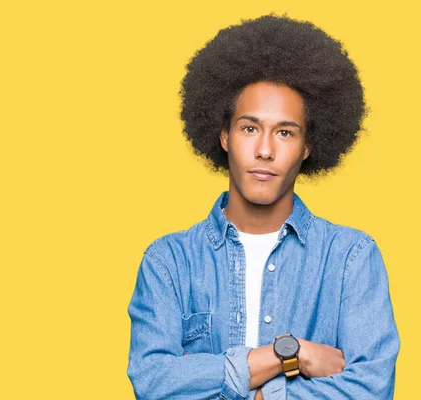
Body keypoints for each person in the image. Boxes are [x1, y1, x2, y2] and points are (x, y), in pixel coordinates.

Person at [127, 14, 399, 400]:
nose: (265, 150)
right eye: (249, 128)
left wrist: (248, 391)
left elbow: (371, 389)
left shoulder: (351, 259)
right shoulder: (168, 262)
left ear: (307, 147)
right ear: (224, 135)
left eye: (285, 132)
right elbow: (153, 382)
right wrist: (288, 354)